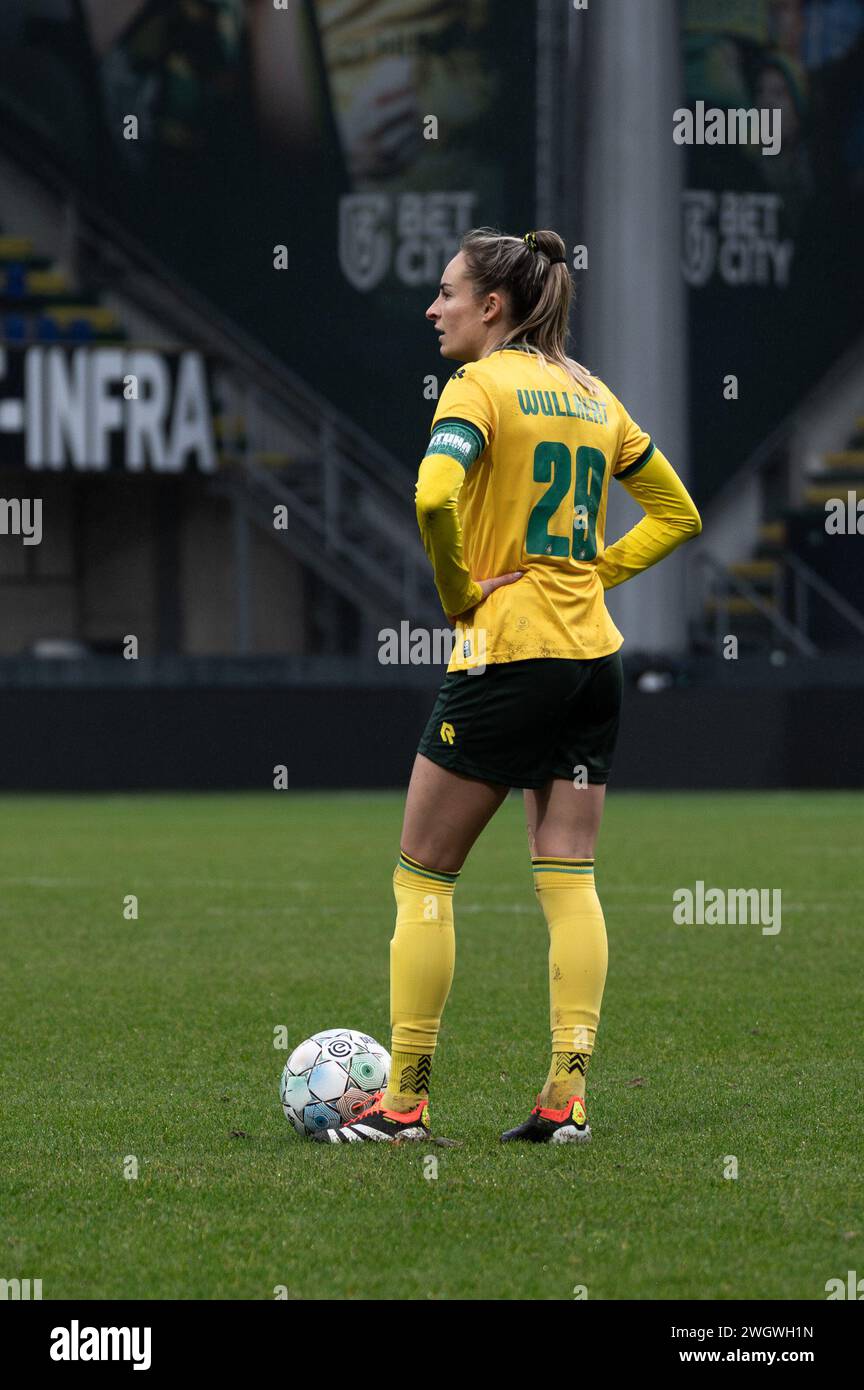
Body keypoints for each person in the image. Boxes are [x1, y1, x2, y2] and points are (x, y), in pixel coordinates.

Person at [313, 227, 701, 1145]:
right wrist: (596, 573)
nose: (432, 307)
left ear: (494, 306)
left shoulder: (479, 386)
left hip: (509, 655)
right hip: (594, 662)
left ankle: (402, 1104)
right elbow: (677, 512)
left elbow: (432, 496)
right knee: (568, 881)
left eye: (446, 292)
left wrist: (456, 592)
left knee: (423, 879)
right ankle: (565, 1100)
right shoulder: (591, 392)